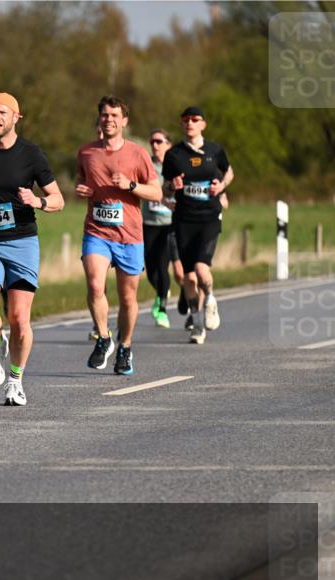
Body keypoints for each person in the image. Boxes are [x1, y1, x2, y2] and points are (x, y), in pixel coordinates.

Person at [0, 92, 64, 406]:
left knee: (19, 318)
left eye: (2, 112)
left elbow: (58, 198)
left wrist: (38, 202)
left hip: (21, 242)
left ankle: (15, 380)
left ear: (16, 117)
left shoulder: (31, 154)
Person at [76, 96, 162, 375]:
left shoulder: (138, 154)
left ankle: (125, 346)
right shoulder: (87, 152)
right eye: (104, 114)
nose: (109, 119)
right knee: (95, 285)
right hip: (97, 231)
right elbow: (82, 181)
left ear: (124, 121)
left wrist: (131, 185)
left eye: (114, 115)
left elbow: (156, 192)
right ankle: (103, 338)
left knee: (127, 299)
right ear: (99, 119)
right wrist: (83, 190)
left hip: (129, 235)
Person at [163, 106, 234, 344]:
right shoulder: (173, 155)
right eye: (185, 120)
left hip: (209, 218)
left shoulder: (215, 150)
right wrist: (173, 186)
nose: (190, 123)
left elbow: (229, 172)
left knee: (202, 270)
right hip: (184, 220)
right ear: (182, 124)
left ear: (203, 124)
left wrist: (221, 187)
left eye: (195, 119)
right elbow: (165, 188)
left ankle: (211, 299)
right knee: (189, 278)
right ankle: (197, 322)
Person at [142, 128, 183, 329]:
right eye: (152, 142)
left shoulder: (176, 165)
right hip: (148, 223)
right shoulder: (145, 164)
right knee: (150, 270)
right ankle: (162, 291)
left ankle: (162, 309)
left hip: (169, 224)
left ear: (168, 144)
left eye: (159, 141)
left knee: (163, 264)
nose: (155, 145)